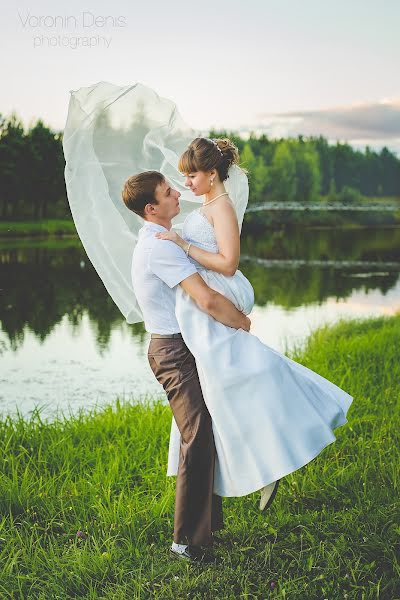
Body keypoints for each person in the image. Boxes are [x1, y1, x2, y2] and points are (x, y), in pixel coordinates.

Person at [149, 136, 353, 502]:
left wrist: (184, 246)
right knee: (220, 391)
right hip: (196, 313)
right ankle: (259, 467)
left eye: (192, 176)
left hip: (209, 309)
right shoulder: (209, 203)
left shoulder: (222, 207)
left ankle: (273, 460)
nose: (187, 184)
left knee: (241, 379)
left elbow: (229, 263)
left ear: (211, 175)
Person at [121, 169, 254, 562]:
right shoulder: (159, 246)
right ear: (151, 208)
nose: (178, 194)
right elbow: (205, 299)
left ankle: (206, 526)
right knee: (196, 435)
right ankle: (184, 541)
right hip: (173, 353)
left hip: (185, 347)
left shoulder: (161, 239)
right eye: (168, 192)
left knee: (204, 430)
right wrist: (241, 321)